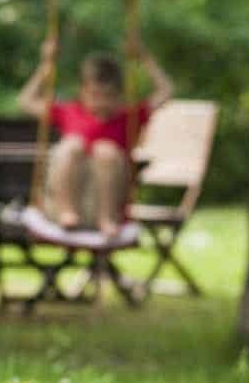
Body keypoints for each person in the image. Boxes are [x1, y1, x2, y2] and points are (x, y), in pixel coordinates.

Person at [17, 35, 174, 238]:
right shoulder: (69, 112)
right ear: (82, 91)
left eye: (108, 96)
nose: (101, 103)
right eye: (94, 95)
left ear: (120, 95)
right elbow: (25, 101)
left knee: (105, 150)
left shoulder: (129, 118)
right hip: (67, 206)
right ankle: (67, 210)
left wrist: (144, 58)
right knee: (72, 146)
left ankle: (105, 218)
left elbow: (166, 91)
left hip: (109, 203)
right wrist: (46, 65)